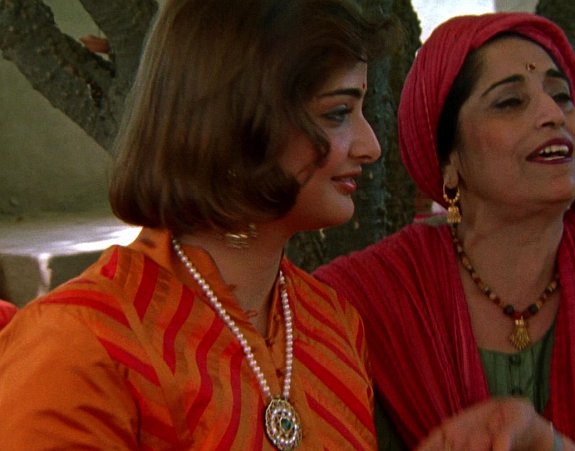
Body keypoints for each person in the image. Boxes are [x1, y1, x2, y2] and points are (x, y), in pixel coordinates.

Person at [0, 0, 393, 449]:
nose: (370, 146)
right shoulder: (84, 341)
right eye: (337, 113)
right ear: (235, 120)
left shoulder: (332, 323)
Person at [315, 12, 575, 450]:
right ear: (449, 160)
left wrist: (549, 446)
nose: (552, 114)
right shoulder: (359, 305)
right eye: (510, 102)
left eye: (562, 96)